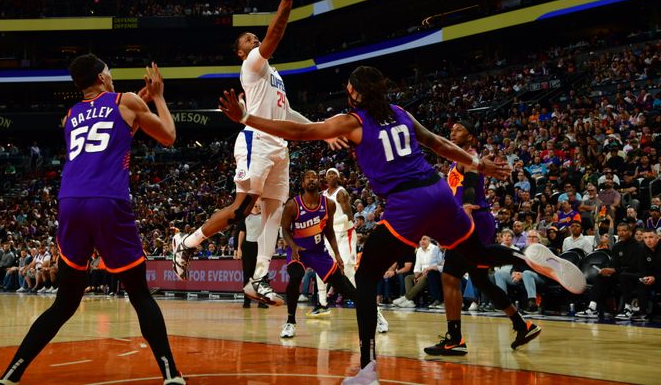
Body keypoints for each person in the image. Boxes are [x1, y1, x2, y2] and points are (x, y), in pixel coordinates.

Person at [218, 65, 586, 385]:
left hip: (408, 204)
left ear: (357, 93)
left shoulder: (353, 121)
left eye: (349, 88)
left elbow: (300, 132)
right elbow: (439, 143)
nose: (347, 92)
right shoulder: (400, 113)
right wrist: (477, 163)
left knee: (365, 277)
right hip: (438, 192)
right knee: (478, 254)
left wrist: (246, 118)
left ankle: (366, 368)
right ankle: (530, 259)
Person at [0, 56, 184, 385]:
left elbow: (112, 120)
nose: (112, 76)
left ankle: (10, 376)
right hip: (107, 199)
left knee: (65, 303)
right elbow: (167, 135)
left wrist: (142, 99)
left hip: (70, 203)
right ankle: (171, 375)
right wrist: (160, 96)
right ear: (100, 75)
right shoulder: (126, 101)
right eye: (109, 71)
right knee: (140, 295)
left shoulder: (69, 116)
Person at [172, 0, 328, 306]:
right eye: (247, 40)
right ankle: (188, 243)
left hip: (279, 146)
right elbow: (274, 34)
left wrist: (321, 129)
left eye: (254, 37)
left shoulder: (274, 75)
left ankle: (258, 279)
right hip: (256, 140)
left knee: (274, 213)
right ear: (241, 53)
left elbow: (287, 116)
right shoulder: (254, 66)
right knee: (241, 210)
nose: (253, 40)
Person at [422, 121, 537, 357]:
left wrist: (466, 205)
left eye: (459, 129)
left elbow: (472, 182)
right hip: (474, 219)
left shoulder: (470, 156)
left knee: (450, 276)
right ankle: (522, 325)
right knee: (481, 280)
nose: (453, 131)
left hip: (473, 218)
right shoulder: (458, 160)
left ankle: (455, 339)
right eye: (452, 129)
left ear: (471, 137)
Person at [279, 170, 387, 338]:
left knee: (345, 284)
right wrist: (292, 246)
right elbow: (284, 229)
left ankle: (375, 314)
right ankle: (290, 322)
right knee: (296, 276)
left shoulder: (328, 203)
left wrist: (336, 254)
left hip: (320, 251)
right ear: (302, 184)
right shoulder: (293, 205)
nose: (311, 179)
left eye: (314, 177)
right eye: (307, 177)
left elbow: (329, 231)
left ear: (318, 181)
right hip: (298, 250)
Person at [309, 167, 357, 317]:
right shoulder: (322, 195)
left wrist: (331, 223)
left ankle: (362, 301)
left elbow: (349, 216)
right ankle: (322, 303)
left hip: (344, 235)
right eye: (328, 174)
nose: (330, 176)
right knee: (320, 268)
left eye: (333, 174)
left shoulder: (341, 193)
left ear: (338, 177)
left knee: (347, 271)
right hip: (329, 237)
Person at [235, 201, 268, 309]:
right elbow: (241, 232)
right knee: (247, 274)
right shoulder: (245, 216)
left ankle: (261, 301)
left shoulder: (264, 216)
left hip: (261, 246)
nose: (257, 204)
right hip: (248, 247)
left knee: (261, 274)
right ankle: (247, 301)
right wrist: (238, 248)